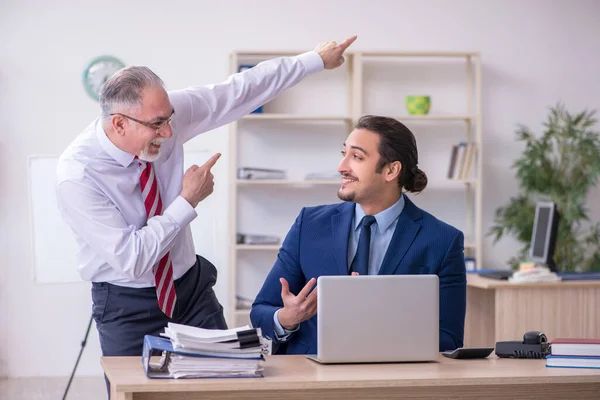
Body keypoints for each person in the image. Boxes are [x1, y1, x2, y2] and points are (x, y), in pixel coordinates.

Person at [56, 36, 357, 365]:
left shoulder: (165, 115)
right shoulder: (78, 175)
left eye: (169, 118)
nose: (169, 132)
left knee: (229, 376)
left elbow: (240, 90)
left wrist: (314, 60)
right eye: (158, 124)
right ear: (119, 123)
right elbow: (132, 258)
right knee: (134, 391)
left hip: (189, 288)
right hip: (126, 303)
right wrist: (187, 200)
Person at [251, 115, 467, 354]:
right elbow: (260, 311)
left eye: (357, 157)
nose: (342, 166)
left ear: (391, 170)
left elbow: (449, 338)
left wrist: (375, 320)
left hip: (395, 383)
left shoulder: (443, 240)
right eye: (344, 153)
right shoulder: (309, 225)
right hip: (312, 380)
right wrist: (286, 318)